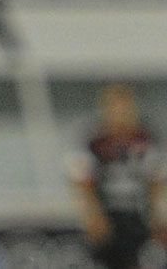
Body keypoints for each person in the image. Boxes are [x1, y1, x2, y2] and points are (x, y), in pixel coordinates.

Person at [70, 83, 166, 269]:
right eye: (115, 107)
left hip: (137, 215)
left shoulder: (146, 138)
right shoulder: (94, 140)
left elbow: (156, 180)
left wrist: (157, 216)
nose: (121, 112)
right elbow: (83, 182)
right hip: (108, 217)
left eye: (125, 107)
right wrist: (93, 216)